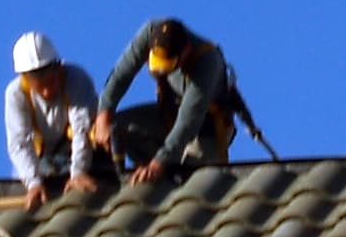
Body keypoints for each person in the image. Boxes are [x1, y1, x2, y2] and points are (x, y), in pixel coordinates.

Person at [91, 17, 243, 185]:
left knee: (188, 183)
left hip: (205, 131)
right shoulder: (150, 34)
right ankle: (150, 172)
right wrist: (103, 115)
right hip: (170, 115)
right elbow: (120, 76)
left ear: (185, 52)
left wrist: (160, 163)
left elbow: (188, 123)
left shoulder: (208, 63)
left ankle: (164, 170)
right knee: (118, 128)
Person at [4, 31, 104, 210]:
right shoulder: (16, 94)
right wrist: (33, 183)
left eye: (51, 82)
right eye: (40, 87)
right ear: (26, 80)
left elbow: (81, 128)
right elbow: (19, 144)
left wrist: (79, 172)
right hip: (41, 161)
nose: (47, 92)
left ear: (59, 68)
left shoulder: (76, 79)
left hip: (80, 152)